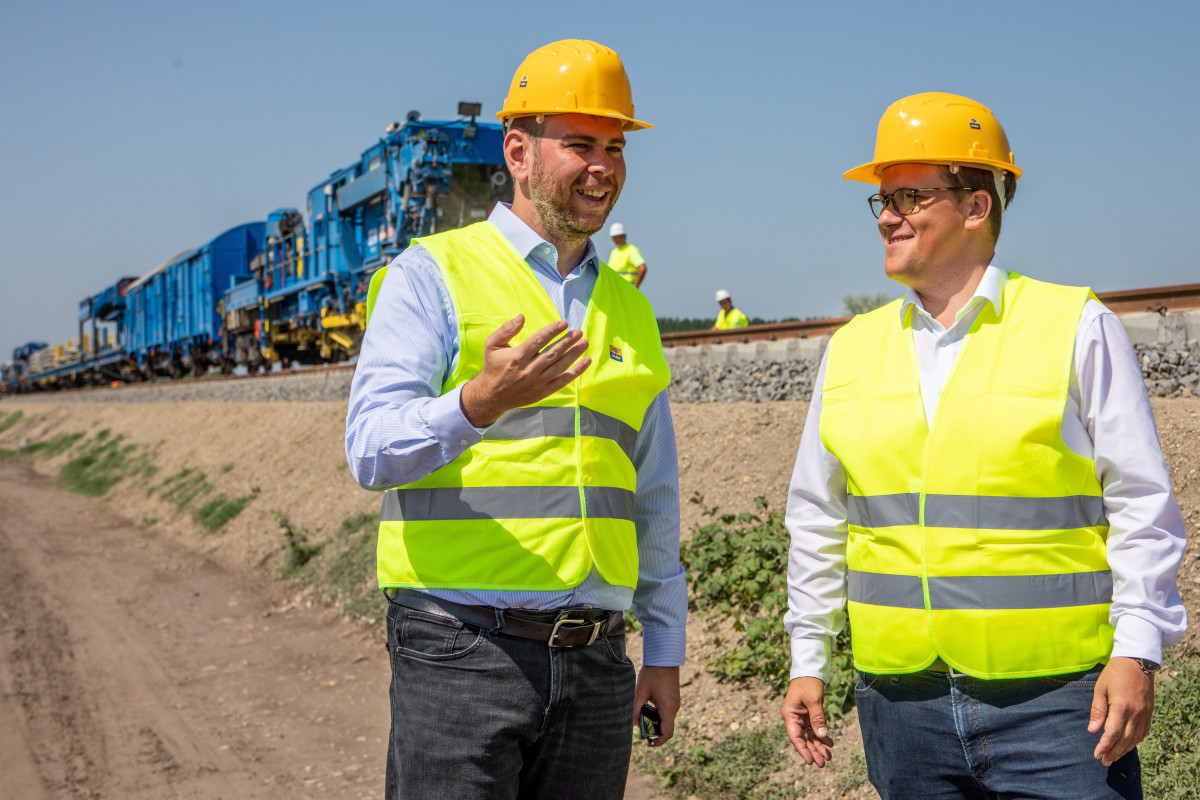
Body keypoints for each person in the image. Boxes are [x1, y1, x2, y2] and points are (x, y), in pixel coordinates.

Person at [780, 92, 1187, 799]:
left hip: (1060, 706)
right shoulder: (851, 350)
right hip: (901, 708)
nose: (886, 216)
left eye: (909, 197)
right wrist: (807, 659)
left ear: (976, 206)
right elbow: (816, 516)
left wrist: (1137, 651)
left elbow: (1141, 503)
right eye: (881, 199)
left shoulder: (1076, 327)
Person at [345, 39, 686, 800]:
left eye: (615, 148)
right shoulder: (429, 274)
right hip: (461, 649)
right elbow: (368, 450)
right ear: (518, 153)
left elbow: (653, 493)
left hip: (597, 664)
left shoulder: (629, 309)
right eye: (580, 145)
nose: (602, 167)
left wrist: (663, 649)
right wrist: (478, 403)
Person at [608, 221, 648, 287]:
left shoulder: (631, 250)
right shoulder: (614, 252)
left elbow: (642, 268)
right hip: (615, 289)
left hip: (627, 288)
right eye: (615, 238)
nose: (618, 240)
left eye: (620, 237)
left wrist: (636, 285)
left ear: (625, 236)